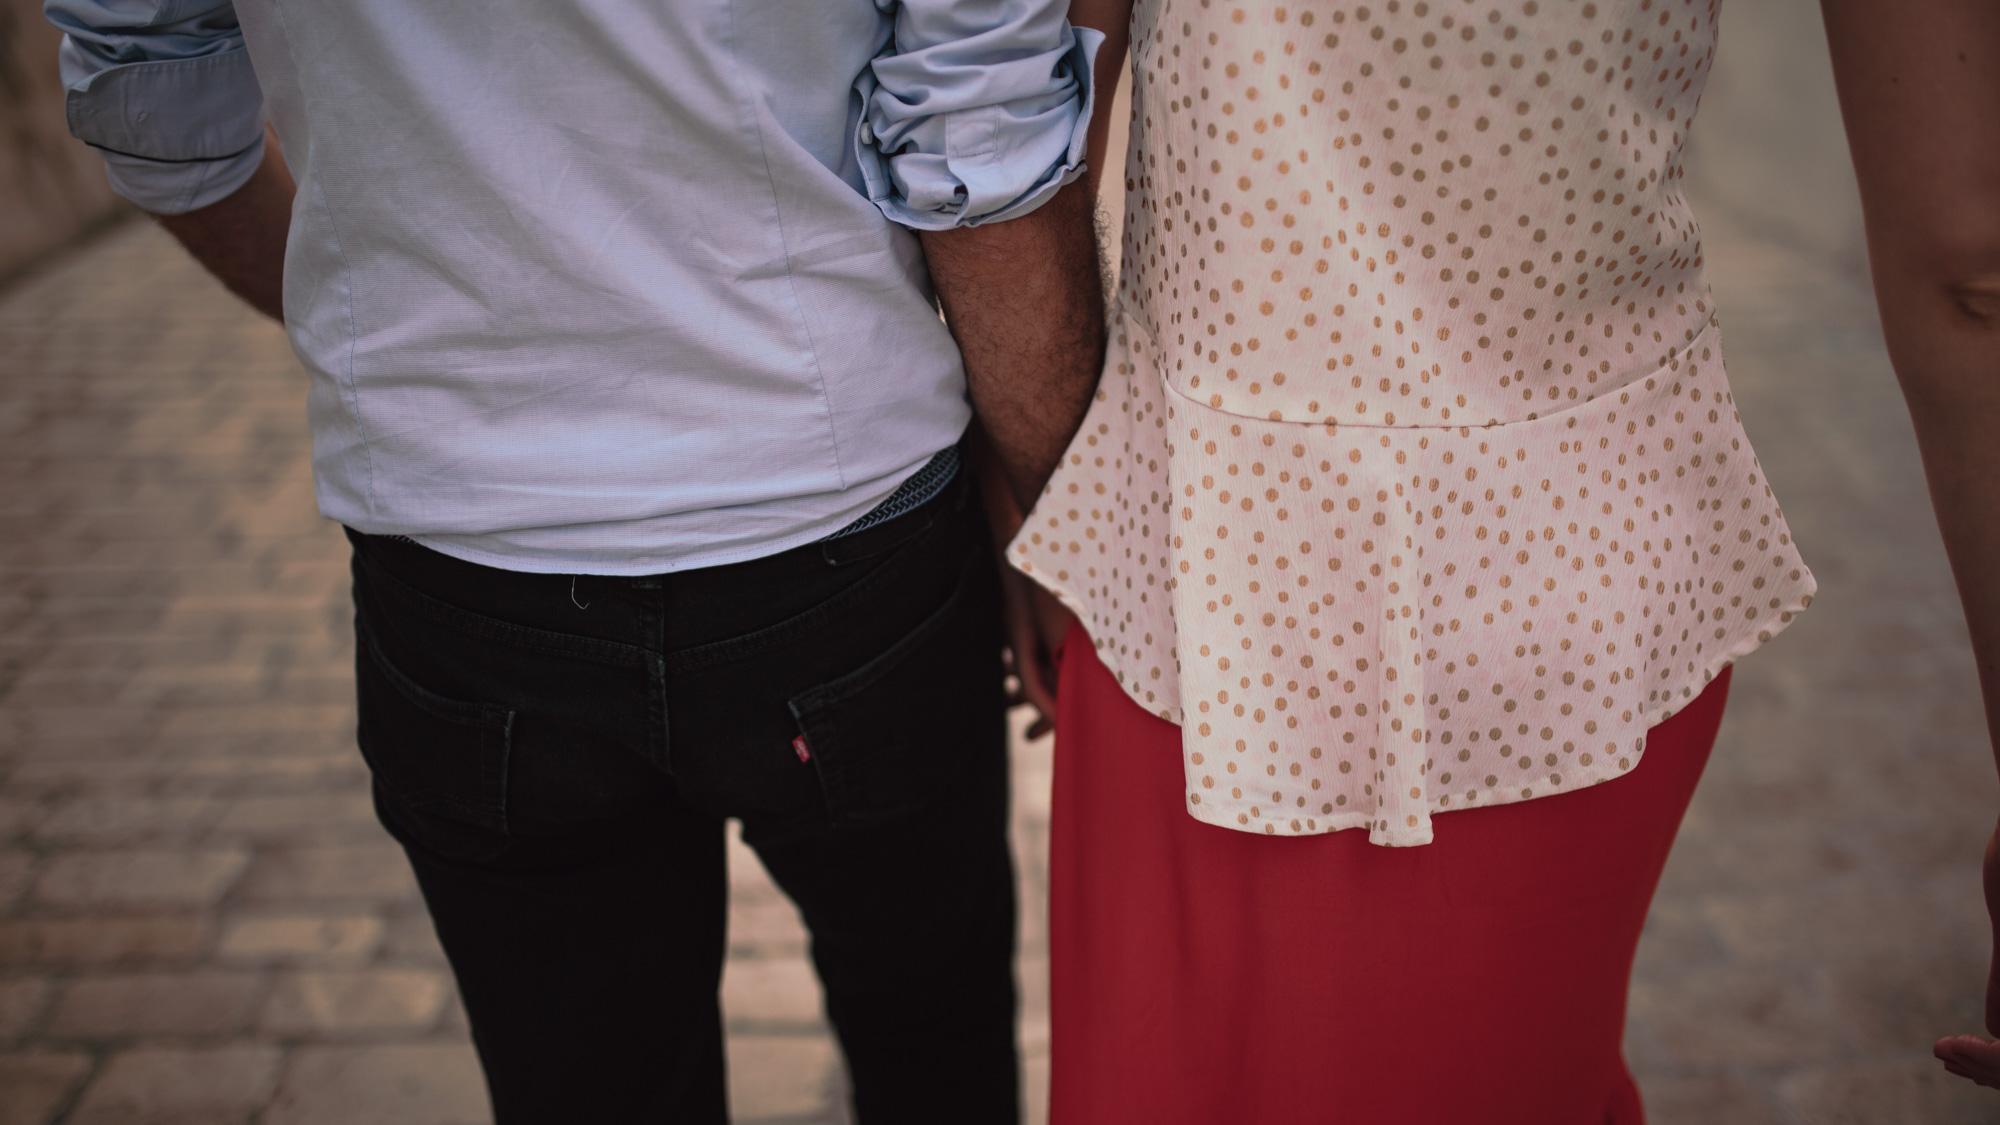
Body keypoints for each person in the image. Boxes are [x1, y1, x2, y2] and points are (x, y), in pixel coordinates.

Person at [42, 0, 1107, 1120]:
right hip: (840, 522)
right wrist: (1051, 519)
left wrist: (399, 340)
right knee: (930, 1048)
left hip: (461, 562)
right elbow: (979, 117)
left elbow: (144, 81)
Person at [994, 0, 2000, 1119]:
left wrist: (1039, 490)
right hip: (1580, 561)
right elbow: (1967, 265)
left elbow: (1030, 113)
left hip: (1202, 563)